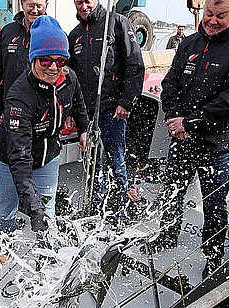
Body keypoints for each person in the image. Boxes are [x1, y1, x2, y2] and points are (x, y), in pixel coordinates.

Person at [148, 0, 229, 276]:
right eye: (209, 13)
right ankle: (166, 235)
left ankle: (212, 254)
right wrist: (175, 121)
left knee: (213, 204)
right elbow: (170, 84)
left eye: (220, 16)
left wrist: (189, 122)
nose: (211, 20)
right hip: (182, 139)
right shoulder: (189, 44)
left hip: (216, 145)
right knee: (171, 193)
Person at [0, 16, 89, 234]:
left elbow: (79, 102)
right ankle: (5, 243)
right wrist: (33, 208)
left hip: (48, 155)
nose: (53, 67)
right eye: (46, 61)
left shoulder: (69, 78)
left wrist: (84, 128)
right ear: (33, 59)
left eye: (60, 60)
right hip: (10, 157)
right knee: (8, 209)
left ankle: (46, 259)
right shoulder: (19, 96)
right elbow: (20, 155)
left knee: (48, 212)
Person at [68, 0, 145, 214]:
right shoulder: (74, 35)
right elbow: (70, 79)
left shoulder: (117, 23)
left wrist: (126, 101)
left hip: (112, 110)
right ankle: (95, 207)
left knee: (115, 160)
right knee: (92, 163)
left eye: (88, 1)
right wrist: (72, 112)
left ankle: (120, 207)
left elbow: (135, 65)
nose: (84, 6)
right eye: (79, 2)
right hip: (86, 112)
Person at [0, 0, 47, 123]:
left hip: (41, 109)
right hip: (11, 104)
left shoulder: (53, 34)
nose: (35, 10)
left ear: (46, 5)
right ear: (22, 4)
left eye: (39, 6)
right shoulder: (8, 31)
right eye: (31, 5)